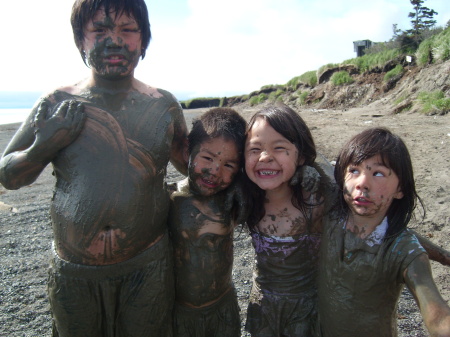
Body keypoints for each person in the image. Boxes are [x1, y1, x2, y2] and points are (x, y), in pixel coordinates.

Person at [0, 0, 188, 336]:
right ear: (80, 40)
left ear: (143, 40)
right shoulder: (57, 103)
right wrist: (43, 147)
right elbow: (8, 175)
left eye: (128, 30)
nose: (114, 40)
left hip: (148, 266)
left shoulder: (163, 105)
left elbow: (197, 166)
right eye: (99, 29)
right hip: (74, 273)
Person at [318, 127, 450, 337]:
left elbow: (437, 316)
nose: (362, 183)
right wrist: (444, 257)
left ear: (400, 189)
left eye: (378, 173)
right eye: (354, 170)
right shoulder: (331, 213)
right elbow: (313, 157)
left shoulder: (405, 252)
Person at [243, 103, 337, 336]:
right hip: (263, 304)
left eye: (279, 147)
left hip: (305, 308)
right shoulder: (247, 195)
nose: (265, 157)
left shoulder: (316, 199)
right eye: (255, 149)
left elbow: (370, 222)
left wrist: (314, 167)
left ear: (301, 155)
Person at [168, 107, 247, 337]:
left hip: (222, 308)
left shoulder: (232, 200)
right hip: (178, 311)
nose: (215, 171)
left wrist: (241, 183)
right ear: (187, 150)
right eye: (207, 158)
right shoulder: (169, 199)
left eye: (229, 165)